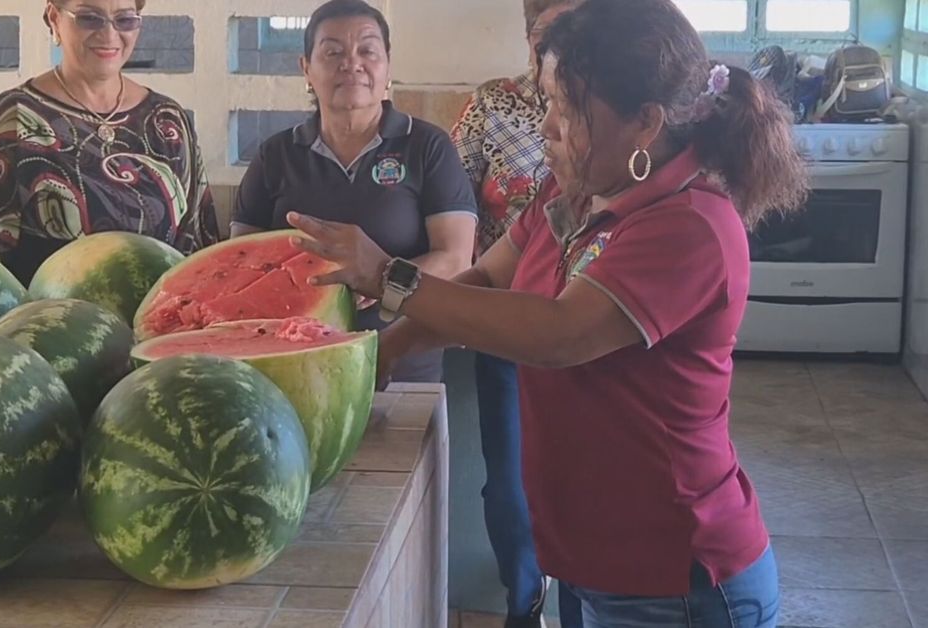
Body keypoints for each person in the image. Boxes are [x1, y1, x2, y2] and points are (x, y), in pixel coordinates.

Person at [286, 0, 808, 625]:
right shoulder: (574, 195)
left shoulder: (690, 225)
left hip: (675, 579)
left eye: (567, 107)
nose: (547, 127)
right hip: (589, 563)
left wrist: (389, 275)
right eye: (547, 101)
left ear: (645, 122)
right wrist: (385, 351)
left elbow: (558, 335)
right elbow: (485, 279)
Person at [229, 0, 476, 384]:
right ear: (306, 69)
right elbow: (239, 265)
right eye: (333, 52)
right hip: (291, 365)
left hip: (403, 359)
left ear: (387, 65)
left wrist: (381, 279)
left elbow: (456, 258)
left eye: (367, 50)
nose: (352, 63)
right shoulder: (275, 155)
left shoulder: (427, 146)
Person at [450, 1, 582, 626]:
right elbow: (453, 200)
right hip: (504, 321)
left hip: (590, 330)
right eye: (546, 31)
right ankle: (523, 601)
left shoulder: (609, 113)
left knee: (586, 480)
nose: (559, 43)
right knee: (509, 478)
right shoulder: (492, 105)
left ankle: (583, 600)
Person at [0, 0, 218, 285]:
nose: (109, 34)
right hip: (47, 323)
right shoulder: (15, 116)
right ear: (54, 19)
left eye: (125, 20)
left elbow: (199, 244)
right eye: (90, 18)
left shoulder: (167, 120)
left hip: (159, 322)